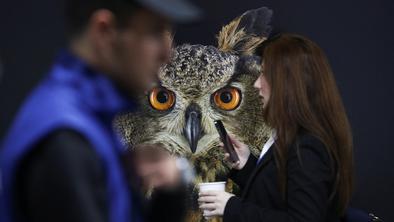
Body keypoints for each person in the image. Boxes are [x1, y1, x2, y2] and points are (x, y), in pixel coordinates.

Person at [0, 0, 200, 222]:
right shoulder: (65, 139)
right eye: (154, 32)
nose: (167, 54)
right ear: (104, 31)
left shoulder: (90, 119)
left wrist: (169, 193)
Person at [199, 33, 354, 222]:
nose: (256, 84)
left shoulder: (307, 147)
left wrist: (232, 207)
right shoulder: (292, 136)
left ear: (287, 83)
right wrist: (247, 166)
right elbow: (278, 198)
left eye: (264, 74)